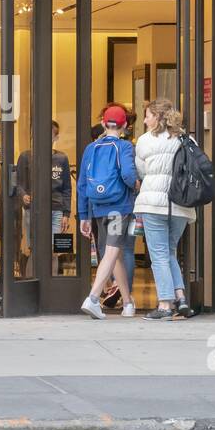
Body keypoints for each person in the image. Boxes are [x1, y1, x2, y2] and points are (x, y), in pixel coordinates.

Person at [134, 98, 199, 320]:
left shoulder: (144, 141)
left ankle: (164, 304)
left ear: (158, 117)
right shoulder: (187, 139)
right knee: (169, 251)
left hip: (153, 203)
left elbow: (141, 172)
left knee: (159, 254)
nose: (144, 120)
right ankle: (181, 298)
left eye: (148, 115)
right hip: (181, 204)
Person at [77, 104, 138, 319]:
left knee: (115, 254)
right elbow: (129, 174)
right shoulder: (124, 147)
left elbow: (82, 184)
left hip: (97, 208)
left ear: (103, 123)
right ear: (124, 126)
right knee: (113, 252)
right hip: (117, 208)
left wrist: (84, 215)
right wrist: (137, 186)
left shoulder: (90, 148)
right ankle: (93, 298)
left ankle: (128, 302)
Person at [14, 120, 72, 277]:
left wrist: (67, 213)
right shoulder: (26, 157)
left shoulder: (62, 158)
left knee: (54, 250)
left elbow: (67, 187)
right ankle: (31, 285)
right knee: (34, 249)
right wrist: (23, 195)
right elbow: (18, 183)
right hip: (33, 208)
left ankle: (51, 286)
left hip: (57, 209)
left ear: (56, 137)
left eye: (50, 134)